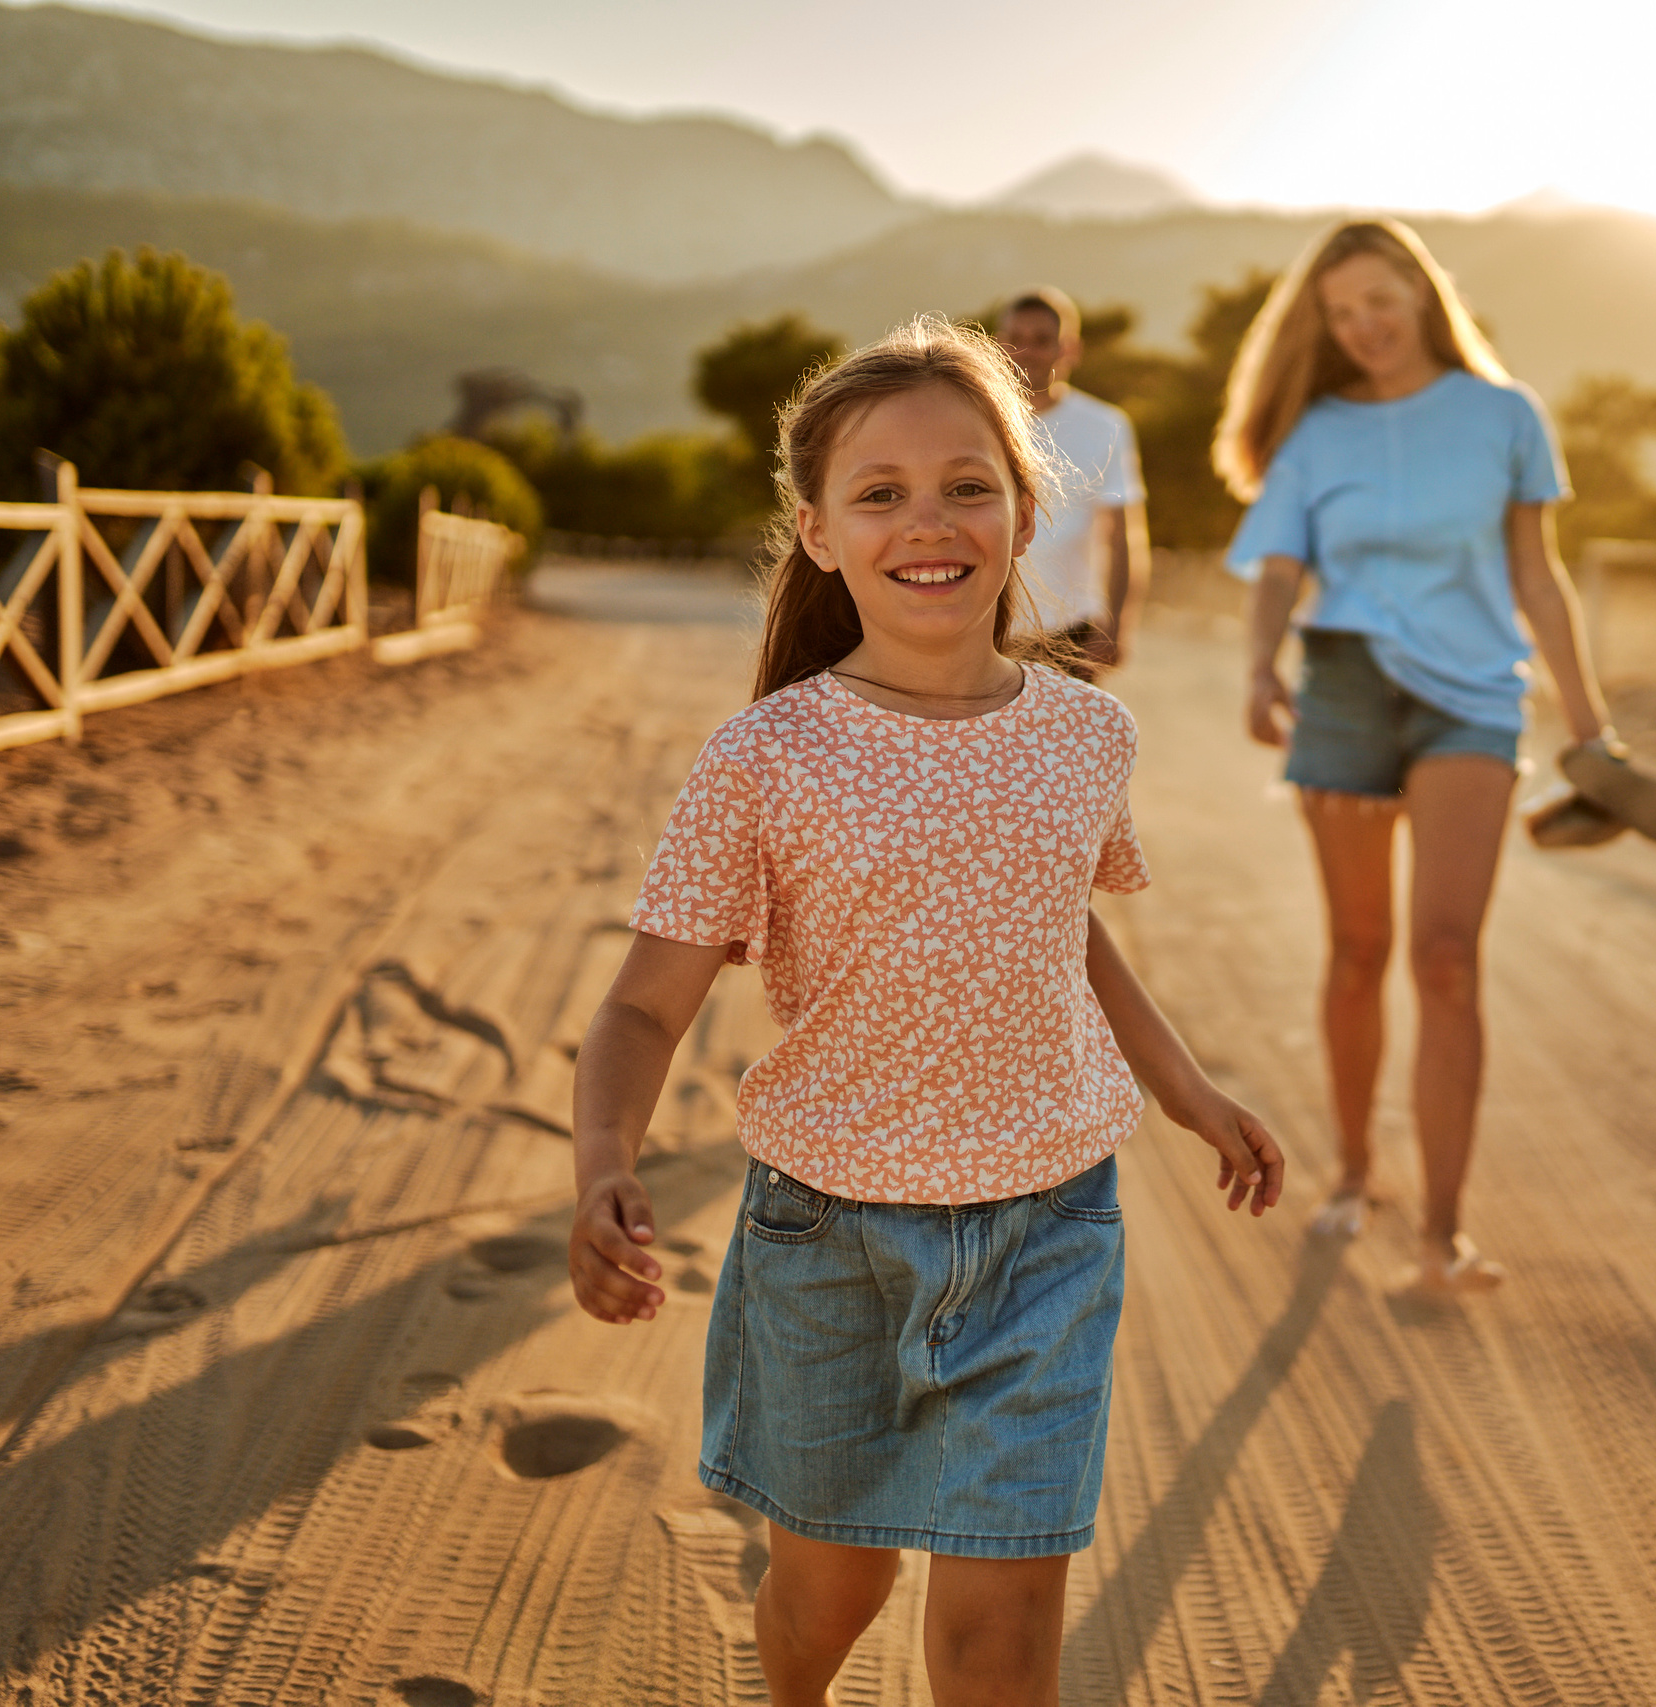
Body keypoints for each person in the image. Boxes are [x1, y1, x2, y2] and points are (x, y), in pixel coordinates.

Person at [566, 318, 1284, 1707]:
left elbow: (1057, 918)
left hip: (1050, 1226)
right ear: (819, 532)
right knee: (833, 1590)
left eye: (969, 483)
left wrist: (1186, 1086)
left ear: (1026, 509)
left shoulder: (1087, 733)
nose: (929, 521)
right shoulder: (768, 754)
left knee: (1002, 1641)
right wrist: (603, 1162)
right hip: (825, 1235)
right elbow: (644, 1008)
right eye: (879, 492)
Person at [1214, 217, 1625, 1296]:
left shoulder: (1503, 414)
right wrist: (1261, 670)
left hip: (1473, 698)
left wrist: (1589, 727)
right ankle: (1353, 1170)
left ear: (1422, 292)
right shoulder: (1315, 433)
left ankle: (1444, 1234)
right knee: (1357, 950)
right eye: (1340, 315)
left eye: (1377, 305)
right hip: (1343, 691)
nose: (1362, 330)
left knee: (1445, 957)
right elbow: (1275, 569)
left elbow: (1538, 577)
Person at [997, 287, 1150, 680]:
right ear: (999, 346)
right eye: (1017, 339)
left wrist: (1118, 624)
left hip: (1070, 633)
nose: (1027, 351)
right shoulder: (974, 422)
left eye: (1043, 340)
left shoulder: (1106, 425)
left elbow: (1122, 535)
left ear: (1070, 349)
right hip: (986, 632)